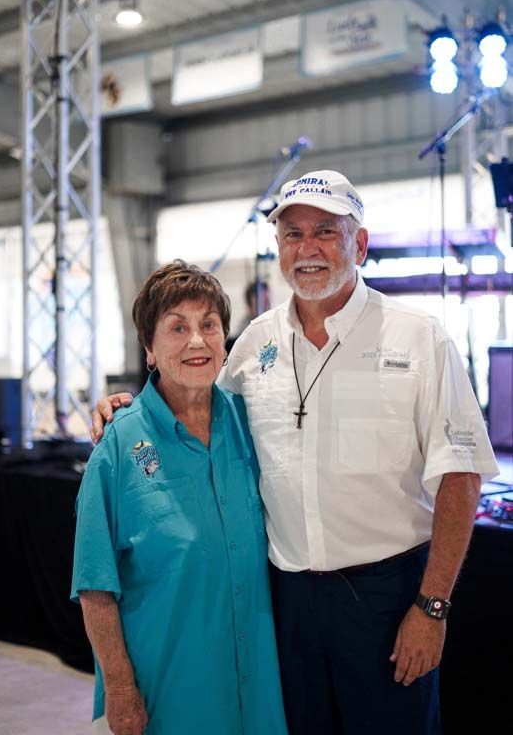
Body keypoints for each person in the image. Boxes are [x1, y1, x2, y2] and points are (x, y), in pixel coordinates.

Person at [91, 171, 498, 735]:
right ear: (278, 247)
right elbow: (192, 397)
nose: (307, 249)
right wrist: (127, 409)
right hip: (284, 606)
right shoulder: (254, 344)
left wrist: (432, 609)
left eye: (326, 232)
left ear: (359, 244)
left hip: (388, 599)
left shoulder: (418, 338)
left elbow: (461, 478)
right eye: (292, 234)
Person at [72, 260, 288, 735]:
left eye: (209, 325)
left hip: (259, 686)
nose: (197, 341)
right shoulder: (118, 447)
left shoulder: (251, 423)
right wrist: (121, 689)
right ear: (149, 349)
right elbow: (94, 586)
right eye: (177, 327)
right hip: (171, 689)